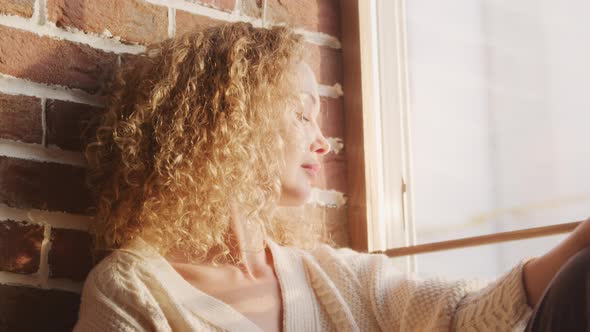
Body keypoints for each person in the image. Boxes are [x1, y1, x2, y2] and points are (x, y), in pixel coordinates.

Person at [73, 22, 590, 332]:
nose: (324, 142)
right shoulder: (132, 291)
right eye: (301, 114)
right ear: (232, 121)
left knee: (579, 278)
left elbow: (467, 314)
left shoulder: (330, 278)